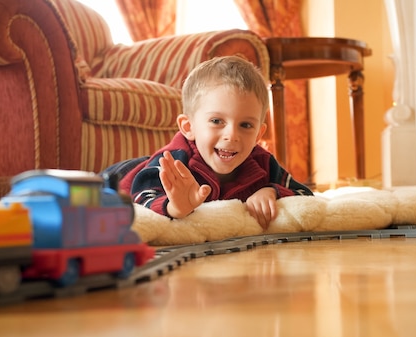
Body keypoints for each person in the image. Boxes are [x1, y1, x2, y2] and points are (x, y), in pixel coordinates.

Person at [119, 56, 313, 229]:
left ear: (258, 134)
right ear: (188, 127)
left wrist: (271, 191)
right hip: (121, 177)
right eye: (216, 121)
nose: (231, 135)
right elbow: (140, 198)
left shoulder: (263, 162)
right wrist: (174, 207)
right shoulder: (173, 161)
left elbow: (306, 195)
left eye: (245, 125)